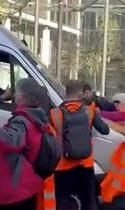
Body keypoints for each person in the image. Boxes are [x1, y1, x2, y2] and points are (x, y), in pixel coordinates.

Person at [0, 78, 53, 210]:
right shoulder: (37, 118)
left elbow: (10, 142)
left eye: (16, 91)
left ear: (22, 96)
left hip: (16, 190)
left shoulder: (22, 120)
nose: (14, 95)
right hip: (28, 186)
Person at [51, 80, 110, 210]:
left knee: (63, 201)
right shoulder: (89, 111)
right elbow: (105, 130)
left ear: (65, 93)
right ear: (81, 94)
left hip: (62, 164)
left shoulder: (55, 113)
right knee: (88, 201)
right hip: (85, 163)